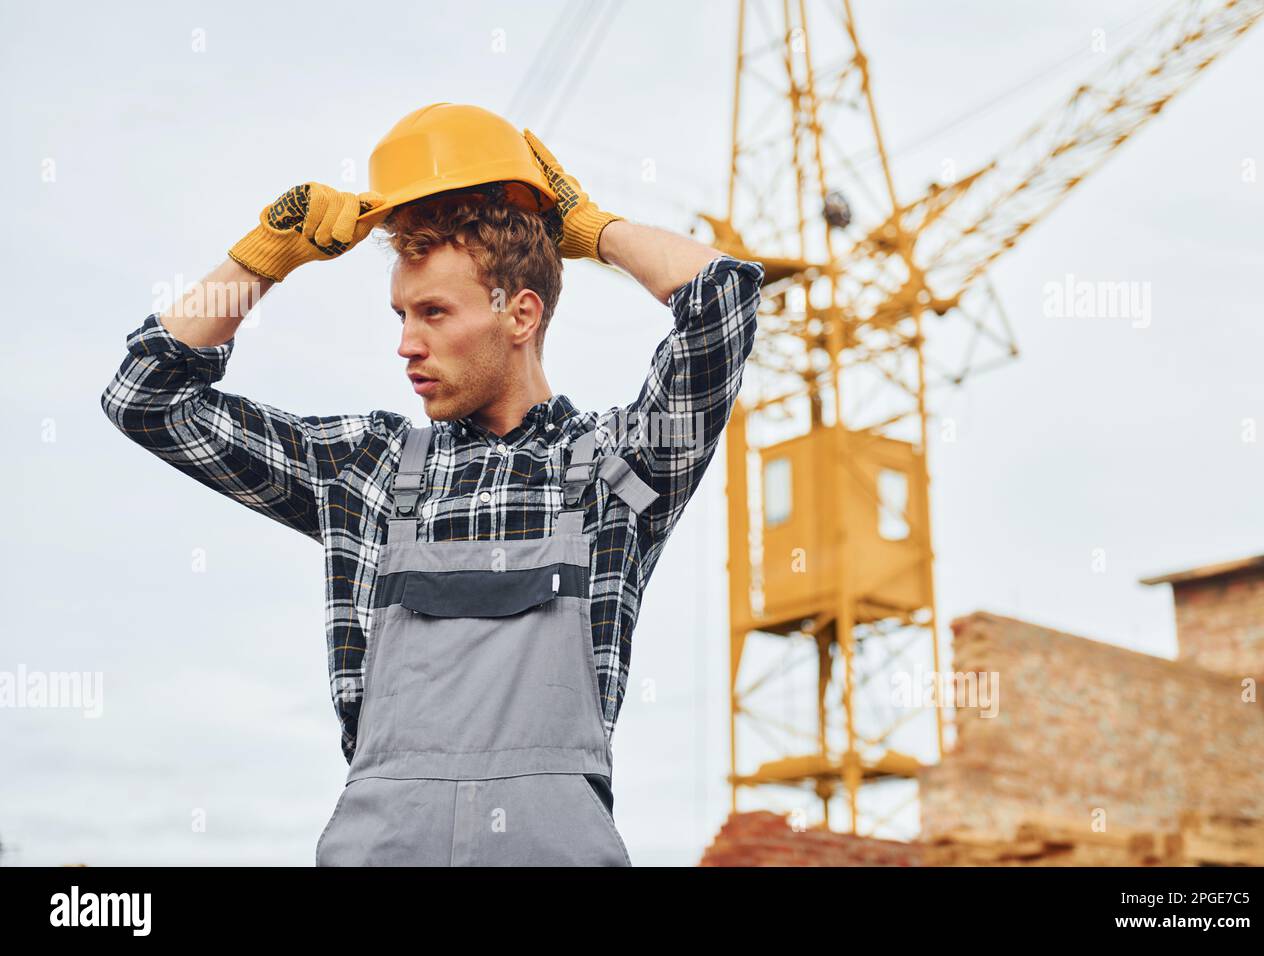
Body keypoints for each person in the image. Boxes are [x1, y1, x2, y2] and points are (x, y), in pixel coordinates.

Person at [100, 128, 765, 865]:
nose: (406, 344)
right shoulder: (364, 471)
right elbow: (145, 398)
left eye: (434, 313)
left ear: (521, 315)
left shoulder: (618, 473)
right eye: (402, 315)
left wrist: (594, 231)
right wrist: (261, 262)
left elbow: (723, 300)